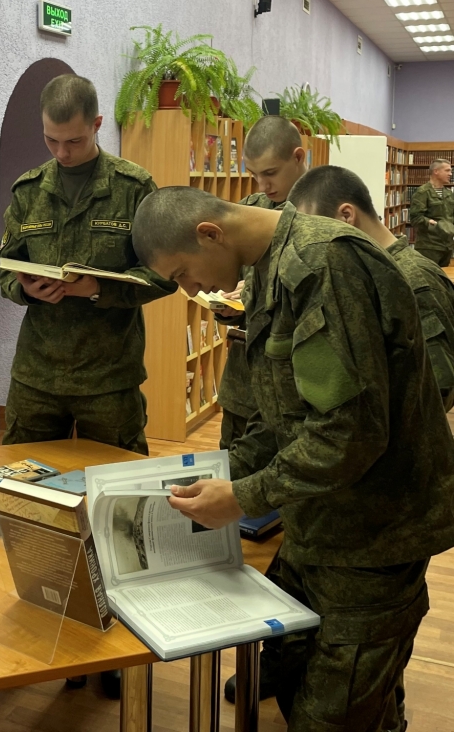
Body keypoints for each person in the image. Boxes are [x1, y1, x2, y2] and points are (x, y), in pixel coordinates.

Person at [131, 186, 454, 732]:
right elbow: (283, 413)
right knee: (312, 686)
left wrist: (242, 496)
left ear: (210, 233)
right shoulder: (267, 270)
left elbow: (349, 433)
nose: (190, 290)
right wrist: (210, 475)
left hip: (375, 534)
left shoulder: (323, 265)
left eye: (183, 272)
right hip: (322, 522)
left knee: (333, 714)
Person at [0, 74, 175, 454]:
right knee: (21, 477)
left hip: (109, 377)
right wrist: (25, 290)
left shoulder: (133, 188)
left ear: (96, 124)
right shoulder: (29, 191)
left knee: (117, 481)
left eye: (74, 141)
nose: (62, 153)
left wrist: (98, 289)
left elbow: (164, 275)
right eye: (51, 140)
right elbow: (5, 268)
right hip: (37, 374)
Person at [291, 164, 454, 410]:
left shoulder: (414, 279)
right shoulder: (367, 270)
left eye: (318, 232)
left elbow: (438, 389)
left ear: (346, 216)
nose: (314, 245)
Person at [217, 115, 307, 454]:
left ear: (298, 157)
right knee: (230, 470)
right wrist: (226, 305)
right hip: (244, 385)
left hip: (297, 388)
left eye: (270, 173)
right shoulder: (250, 211)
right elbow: (232, 278)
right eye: (254, 174)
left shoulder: (323, 211)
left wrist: (254, 290)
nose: (262, 185)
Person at [409, 159, 454, 266]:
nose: (450, 174)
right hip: (429, 246)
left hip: (447, 245)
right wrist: (435, 224)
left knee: (444, 275)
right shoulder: (422, 192)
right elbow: (416, 218)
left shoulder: (449, 194)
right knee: (428, 275)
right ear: (436, 171)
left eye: (451, 171)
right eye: (447, 170)